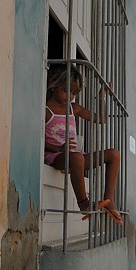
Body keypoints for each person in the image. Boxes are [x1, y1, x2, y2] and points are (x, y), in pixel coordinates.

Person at [45, 63, 122, 224]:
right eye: (67, 91)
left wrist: (102, 97)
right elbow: (36, 138)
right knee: (77, 158)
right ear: (53, 85)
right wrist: (58, 148)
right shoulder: (45, 110)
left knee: (114, 154)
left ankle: (109, 198)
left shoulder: (74, 109)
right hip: (54, 156)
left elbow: (101, 119)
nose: (71, 97)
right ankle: (83, 203)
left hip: (75, 158)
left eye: (74, 93)